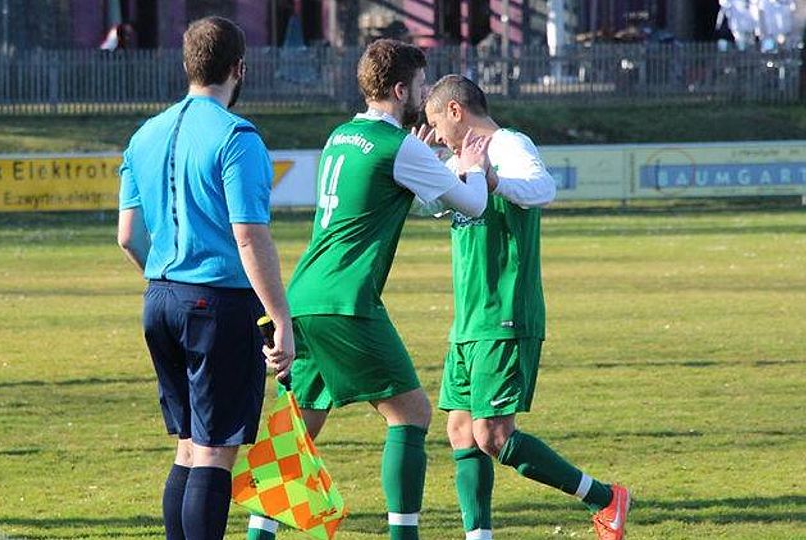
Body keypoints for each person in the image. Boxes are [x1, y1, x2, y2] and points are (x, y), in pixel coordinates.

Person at [246, 39, 490, 540]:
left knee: (299, 427)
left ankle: (258, 536)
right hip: (347, 300)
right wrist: (473, 168)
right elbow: (472, 204)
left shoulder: (341, 135)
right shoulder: (397, 146)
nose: (423, 95)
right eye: (419, 86)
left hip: (303, 296)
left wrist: (423, 161)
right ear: (400, 90)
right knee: (411, 414)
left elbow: (394, 193)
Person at [420, 74, 631, 540]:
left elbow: (542, 188)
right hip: (469, 319)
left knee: (493, 435)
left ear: (455, 111)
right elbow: (428, 205)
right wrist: (420, 162)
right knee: (461, 430)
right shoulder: (458, 158)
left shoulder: (508, 144)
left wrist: (489, 176)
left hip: (505, 311)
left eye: (436, 123)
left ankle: (605, 498)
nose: (436, 134)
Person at [117, 16, 294, 540]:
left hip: (161, 298)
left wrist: (167, 278)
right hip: (216, 304)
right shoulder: (237, 137)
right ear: (240, 68)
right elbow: (249, 237)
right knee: (215, 452)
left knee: (189, 447)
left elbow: (128, 236)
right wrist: (281, 318)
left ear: (187, 65)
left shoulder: (144, 135)